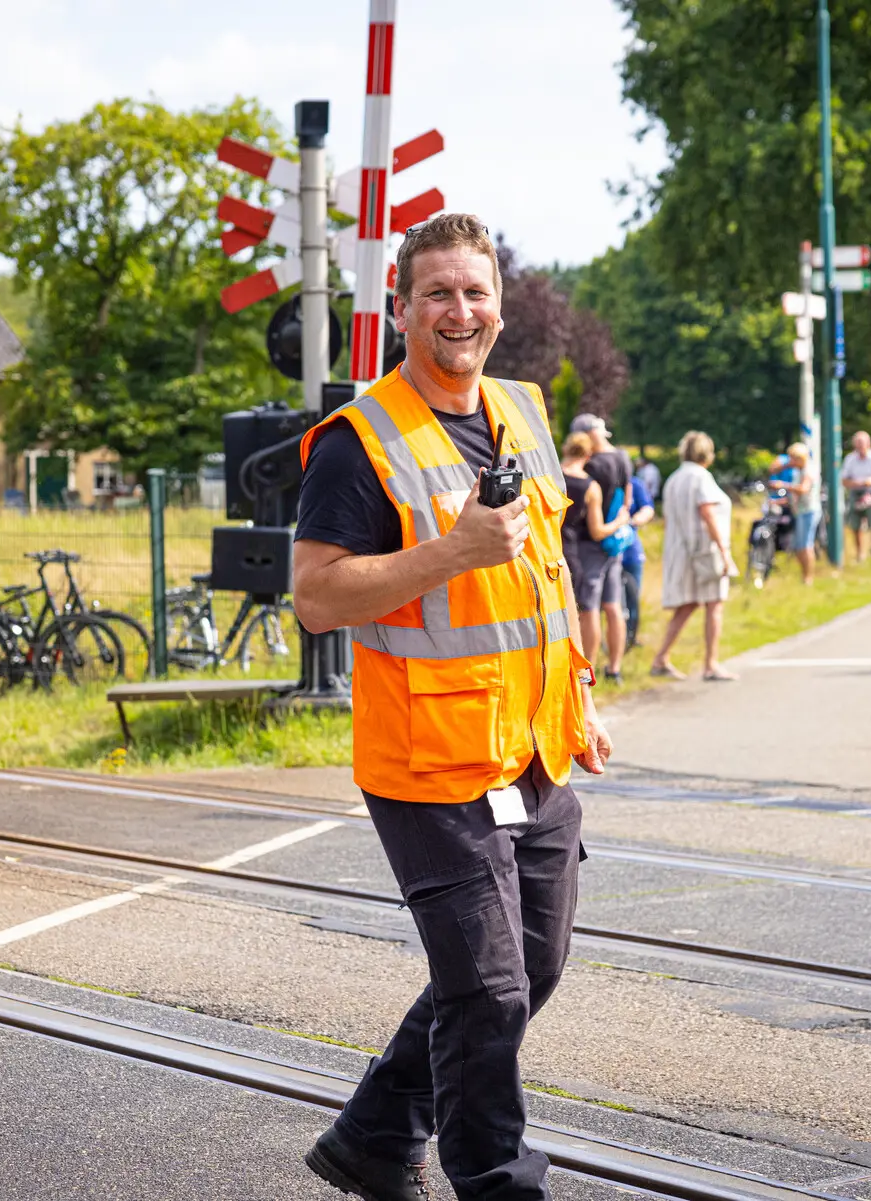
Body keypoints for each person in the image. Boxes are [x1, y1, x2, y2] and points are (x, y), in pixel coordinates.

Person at [291, 213, 610, 1201]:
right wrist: (448, 551)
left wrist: (580, 697)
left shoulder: (522, 409)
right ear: (401, 309)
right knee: (488, 989)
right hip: (429, 763)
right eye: (437, 293)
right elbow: (316, 598)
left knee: (532, 963)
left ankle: (376, 1135)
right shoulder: (361, 442)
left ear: (500, 309)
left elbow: (545, 580)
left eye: (474, 293)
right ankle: (500, 1182)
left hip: (531, 751)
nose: (458, 311)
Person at [652, 430, 739, 680]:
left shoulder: (674, 479)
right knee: (714, 605)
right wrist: (724, 551)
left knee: (687, 605)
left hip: (681, 551)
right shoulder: (702, 479)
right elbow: (708, 513)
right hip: (705, 551)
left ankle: (661, 657)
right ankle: (711, 663)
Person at [569, 413, 631, 684]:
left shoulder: (592, 467)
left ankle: (588, 673)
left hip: (590, 541)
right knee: (614, 606)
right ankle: (615, 668)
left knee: (589, 608)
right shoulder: (623, 458)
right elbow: (627, 496)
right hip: (614, 540)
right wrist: (620, 521)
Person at [839, 430, 871, 565]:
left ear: (868, 443)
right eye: (857, 443)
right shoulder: (850, 459)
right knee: (855, 526)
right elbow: (844, 480)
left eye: (862, 443)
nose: (860, 446)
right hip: (856, 493)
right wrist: (857, 483)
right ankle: (860, 555)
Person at [620, 469, 655, 651]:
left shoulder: (635, 484)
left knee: (634, 596)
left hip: (630, 548)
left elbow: (647, 508)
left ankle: (632, 636)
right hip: (607, 548)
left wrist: (635, 521)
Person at [781, 441, 823, 583]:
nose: (791, 461)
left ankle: (808, 578)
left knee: (805, 545)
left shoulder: (808, 470)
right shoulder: (800, 470)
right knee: (801, 546)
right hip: (802, 511)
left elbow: (804, 489)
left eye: (792, 458)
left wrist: (783, 485)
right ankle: (805, 576)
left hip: (808, 511)